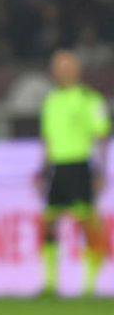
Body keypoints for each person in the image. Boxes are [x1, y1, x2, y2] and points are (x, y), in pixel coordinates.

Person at [38, 50, 110, 297]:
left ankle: (89, 287)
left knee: (87, 224)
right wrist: (42, 169)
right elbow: (48, 140)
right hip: (58, 167)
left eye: (66, 66)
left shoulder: (90, 100)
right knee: (48, 223)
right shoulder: (51, 101)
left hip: (80, 165)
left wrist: (101, 170)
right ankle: (50, 284)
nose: (62, 71)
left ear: (76, 70)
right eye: (58, 67)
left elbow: (102, 136)